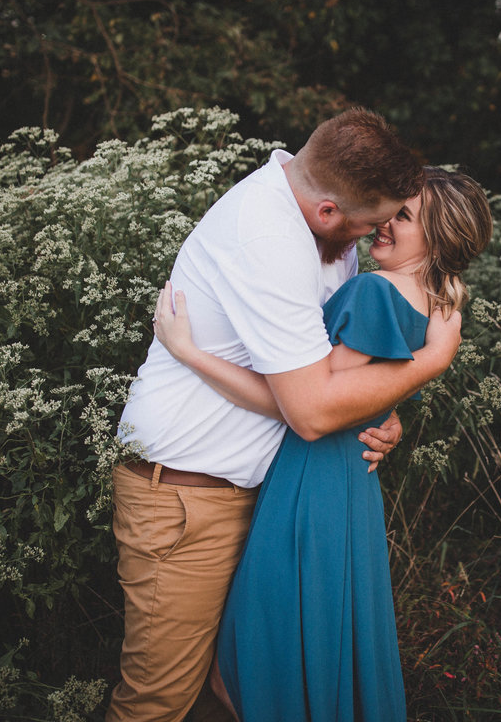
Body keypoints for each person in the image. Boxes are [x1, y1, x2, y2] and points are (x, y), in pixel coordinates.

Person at [108, 109, 463, 722]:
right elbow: (311, 410)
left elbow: (331, 379)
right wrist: (429, 364)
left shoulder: (327, 227)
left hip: (268, 491)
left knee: (234, 697)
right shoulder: (268, 236)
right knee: (161, 702)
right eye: (372, 223)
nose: (373, 237)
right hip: (189, 496)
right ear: (331, 211)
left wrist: (382, 411)